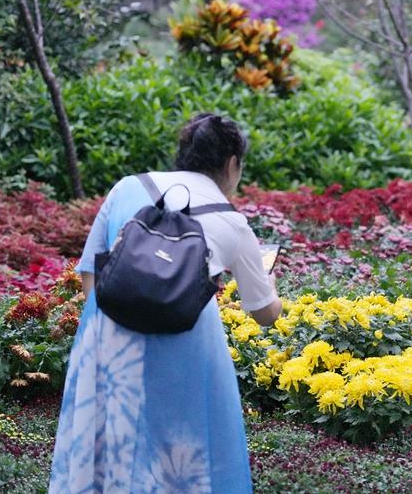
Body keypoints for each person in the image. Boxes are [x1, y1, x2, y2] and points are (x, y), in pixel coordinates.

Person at [49, 113, 281, 493]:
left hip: (110, 344)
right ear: (231, 163)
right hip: (186, 345)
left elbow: (91, 270)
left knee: (112, 450)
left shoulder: (128, 187)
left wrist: (112, 329)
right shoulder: (232, 222)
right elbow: (265, 314)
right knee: (181, 456)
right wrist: (271, 286)